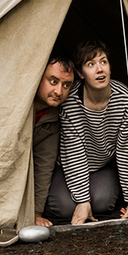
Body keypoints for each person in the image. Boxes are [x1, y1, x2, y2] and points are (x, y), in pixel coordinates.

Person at [43, 40, 128, 224]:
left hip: (103, 165)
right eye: (91, 64)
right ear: (80, 73)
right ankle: (82, 201)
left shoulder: (127, 102)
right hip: (69, 166)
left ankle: (92, 201)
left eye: (103, 62)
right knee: (62, 207)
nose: (99, 69)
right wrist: (83, 200)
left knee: (103, 202)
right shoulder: (69, 102)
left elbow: (125, 152)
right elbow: (74, 152)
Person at [31, 54, 76, 228]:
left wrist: (35, 213)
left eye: (66, 85)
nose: (59, 92)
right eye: (53, 81)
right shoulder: (17, 105)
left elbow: (44, 164)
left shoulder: (52, 117)